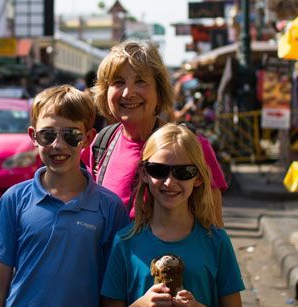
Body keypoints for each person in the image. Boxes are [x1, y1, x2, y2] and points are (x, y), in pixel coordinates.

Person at [0, 85, 130, 307]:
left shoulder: (109, 207)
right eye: (48, 135)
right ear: (34, 136)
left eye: (71, 135)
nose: (58, 145)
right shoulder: (14, 199)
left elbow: (114, 290)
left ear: (88, 138)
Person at [83, 40, 227, 224]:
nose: (128, 92)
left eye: (140, 81)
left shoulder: (192, 148)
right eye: (118, 82)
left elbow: (214, 231)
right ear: (105, 92)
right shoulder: (100, 144)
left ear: (159, 91)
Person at [101, 124, 245, 307]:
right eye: (158, 170)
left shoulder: (216, 241)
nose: (169, 182)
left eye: (183, 172)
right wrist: (140, 305)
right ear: (144, 173)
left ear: (199, 178)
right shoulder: (124, 242)